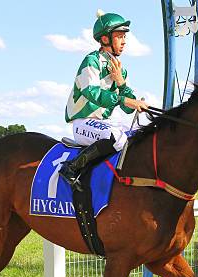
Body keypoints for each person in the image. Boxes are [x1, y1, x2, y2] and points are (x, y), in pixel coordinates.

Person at [60, 10, 149, 189]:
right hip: (83, 123)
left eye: (124, 37)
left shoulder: (120, 70)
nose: (124, 41)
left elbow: (129, 109)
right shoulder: (90, 61)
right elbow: (92, 93)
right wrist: (123, 100)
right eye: (119, 36)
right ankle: (71, 168)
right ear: (105, 39)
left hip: (104, 123)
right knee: (118, 137)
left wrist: (122, 83)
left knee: (140, 134)